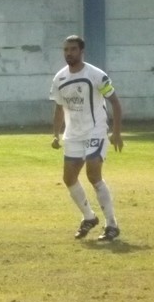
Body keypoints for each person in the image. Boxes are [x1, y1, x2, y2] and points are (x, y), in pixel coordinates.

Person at [49, 35, 124, 241]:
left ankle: (112, 224)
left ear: (82, 51)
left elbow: (115, 103)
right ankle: (89, 217)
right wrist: (56, 134)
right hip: (73, 134)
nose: (68, 53)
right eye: (66, 50)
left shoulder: (96, 75)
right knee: (69, 179)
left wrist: (116, 132)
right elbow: (59, 107)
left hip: (95, 131)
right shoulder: (60, 78)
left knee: (93, 174)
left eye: (73, 49)